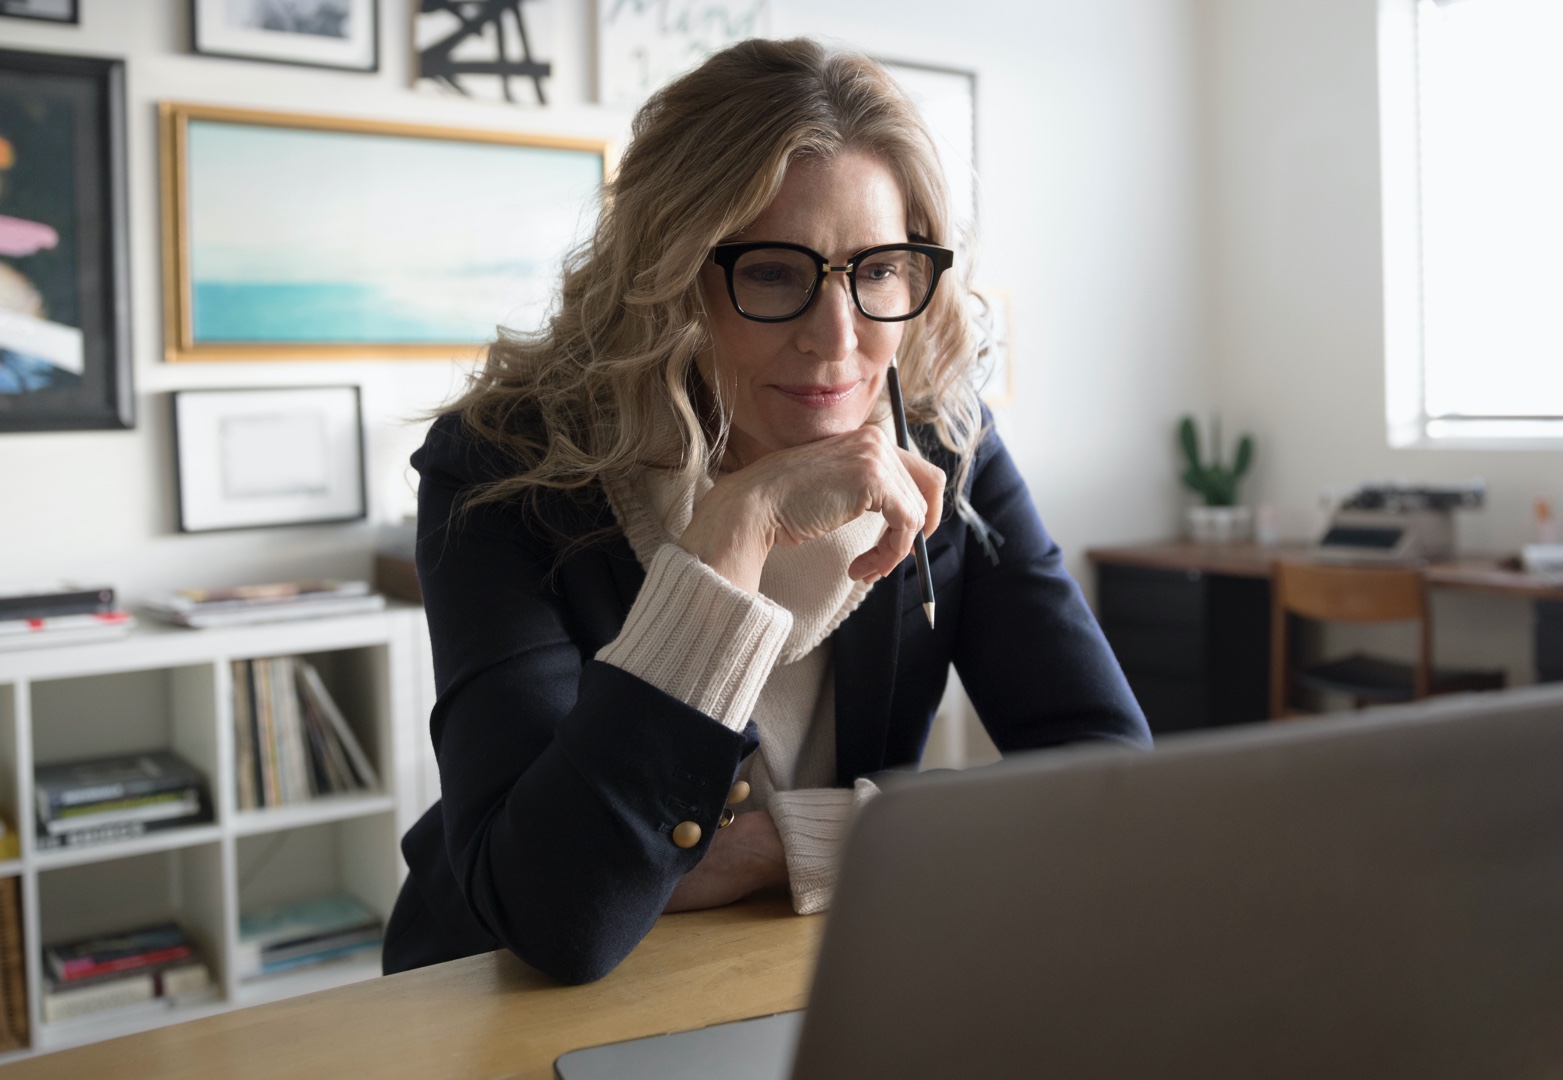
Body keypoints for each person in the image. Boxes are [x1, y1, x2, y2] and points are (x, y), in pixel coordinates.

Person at [383, 38, 1150, 986]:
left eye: (880, 270)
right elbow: (556, 912)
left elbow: (1110, 777)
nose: (839, 340)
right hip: (496, 993)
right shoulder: (507, 467)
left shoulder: (948, 441)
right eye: (777, 273)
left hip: (798, 965)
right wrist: (731, 541)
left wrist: (783, 840)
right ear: (670, 278)